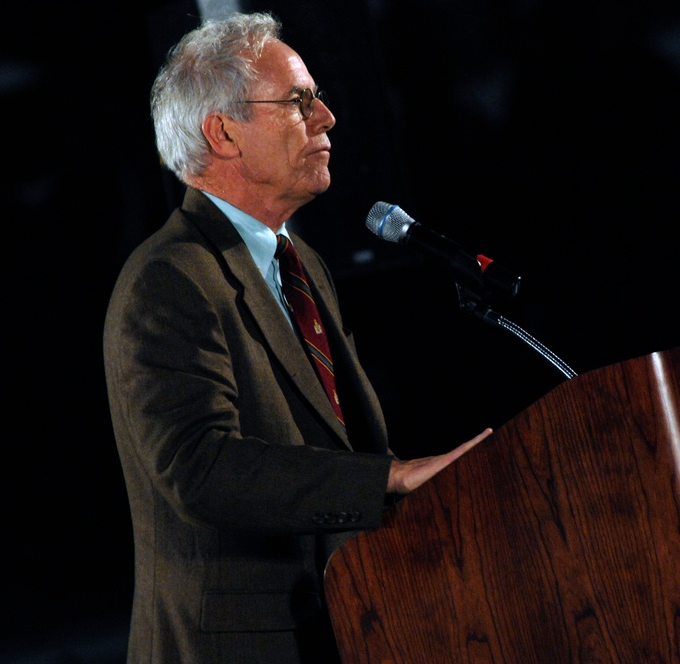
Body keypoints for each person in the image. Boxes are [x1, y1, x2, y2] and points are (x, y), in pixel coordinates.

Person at [103, 11, 491, 664]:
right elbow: (201, 469)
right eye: (298, 102)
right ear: (223, 132)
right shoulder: (168, 279)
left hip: (343, 624)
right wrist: (389, 478)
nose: (329, 119)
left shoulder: (303, 264)